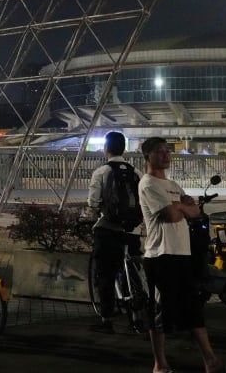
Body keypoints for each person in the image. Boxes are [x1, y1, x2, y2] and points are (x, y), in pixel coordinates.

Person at [138, 137, 226, 373]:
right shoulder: (148, 184)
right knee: (160, 311)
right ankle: (160, 365)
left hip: (181, 253)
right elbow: (171, 215)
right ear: (147, 156)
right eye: (159, 152)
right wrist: (181, 207)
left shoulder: (172, 185)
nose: (166, 156)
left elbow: (195, 212)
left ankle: (211, 361)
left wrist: (181, 207)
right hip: (160, 255)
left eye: (167, 151)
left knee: (193, 308)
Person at [87, 131, 142, 333]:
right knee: (134, 271)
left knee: (105, 274)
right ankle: (138, 314)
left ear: (105, 149)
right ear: (124, 149)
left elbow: (92, 203)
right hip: (133, 230)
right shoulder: (136, 172)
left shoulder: (101, 172)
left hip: (109, 229)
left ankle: (106, 319)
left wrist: (92, 215)